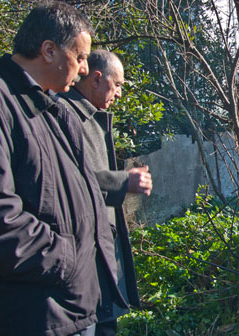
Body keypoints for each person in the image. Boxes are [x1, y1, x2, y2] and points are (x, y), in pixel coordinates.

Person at [0, 2, 124, 335]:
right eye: (81, 57)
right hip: (31, 316)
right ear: (48, 51)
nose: (85, 70)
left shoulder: (55, 110)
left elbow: (81, 192)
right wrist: (68, 260)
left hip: (76, 307)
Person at [59, 50, 151, 336]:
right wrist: (121, 182)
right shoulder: (63, 116)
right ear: (97, 79)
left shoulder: (90, 116)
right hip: (80, 259)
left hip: (101, 254)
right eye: (119, 84)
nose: (120, 94)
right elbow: (65, 181)